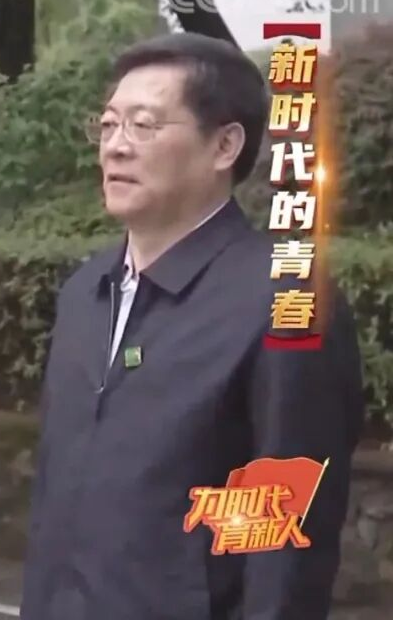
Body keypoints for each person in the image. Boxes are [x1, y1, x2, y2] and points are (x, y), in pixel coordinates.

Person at [20, 32, 364, 619]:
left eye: (144, 126)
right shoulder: (85, 293)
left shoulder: (282, 301)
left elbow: (283, 548)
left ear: (224, 145)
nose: (115, 147)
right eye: (108, 125)